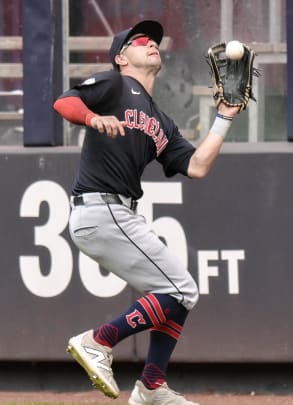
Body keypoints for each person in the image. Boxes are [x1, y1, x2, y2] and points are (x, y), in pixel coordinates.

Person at [53, 20, 240, 405]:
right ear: (122, 57)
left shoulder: (159, 120)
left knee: (178, 294)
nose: (152, 43)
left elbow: (198, 166)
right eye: (140, 41)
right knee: (181, 288)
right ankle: (98, 341)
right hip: (100, 207)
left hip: (116, 213)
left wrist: (225, 117)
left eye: (155, 41)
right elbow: (63, 102)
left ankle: (152, 385)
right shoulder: (117, 84)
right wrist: (92, 118)